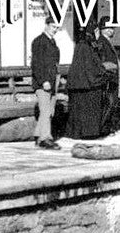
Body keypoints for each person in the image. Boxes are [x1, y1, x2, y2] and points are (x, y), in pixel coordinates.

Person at [65, 25, 110, 140]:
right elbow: (91, 68)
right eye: (96, 31)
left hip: (77, 85)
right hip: (88, 85)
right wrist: (103, 73)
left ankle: (76, 133)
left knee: (77, 111)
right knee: (90, 108)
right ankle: (89, 133)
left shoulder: (81, 45)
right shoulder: (86, 47)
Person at [30, 20, 61, 149]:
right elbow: (36, 64)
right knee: (46, 111)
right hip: (44, 83)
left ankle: (38, 135)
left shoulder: (52, 41)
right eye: (53, 26)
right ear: (46, 25)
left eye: (57, 27)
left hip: (52, 82)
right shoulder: (39, 41)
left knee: (49, 110)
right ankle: (45, 138)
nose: (55, 29)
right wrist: (43, 81)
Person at [94, 20, 120, 134]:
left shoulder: (107, 41)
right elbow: (102, 59)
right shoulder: (101, 41)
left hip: (112, 77)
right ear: (102, 29)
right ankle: (103, 128)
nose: (111, 30)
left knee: (111, 103)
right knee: (109, 103)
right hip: (108, 77)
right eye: (108, 28)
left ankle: (108, 127)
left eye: (112, 27)